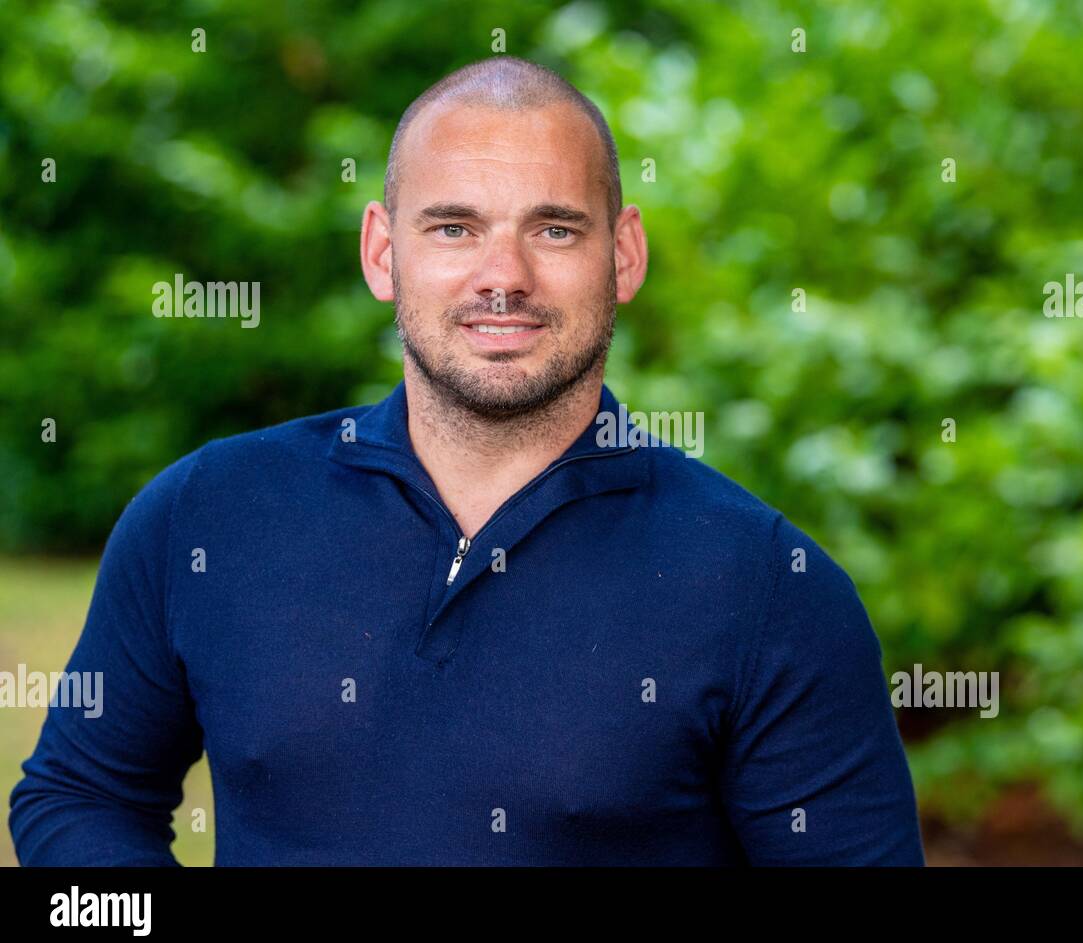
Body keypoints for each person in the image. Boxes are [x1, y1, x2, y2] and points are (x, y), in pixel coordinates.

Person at [9, 55, 924, 866]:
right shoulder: (207, 515)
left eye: (555, 229)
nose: (504, 275)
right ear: (382, 252)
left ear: (625, 256)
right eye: (453, 228)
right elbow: (78, 798)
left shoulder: (771, 587)